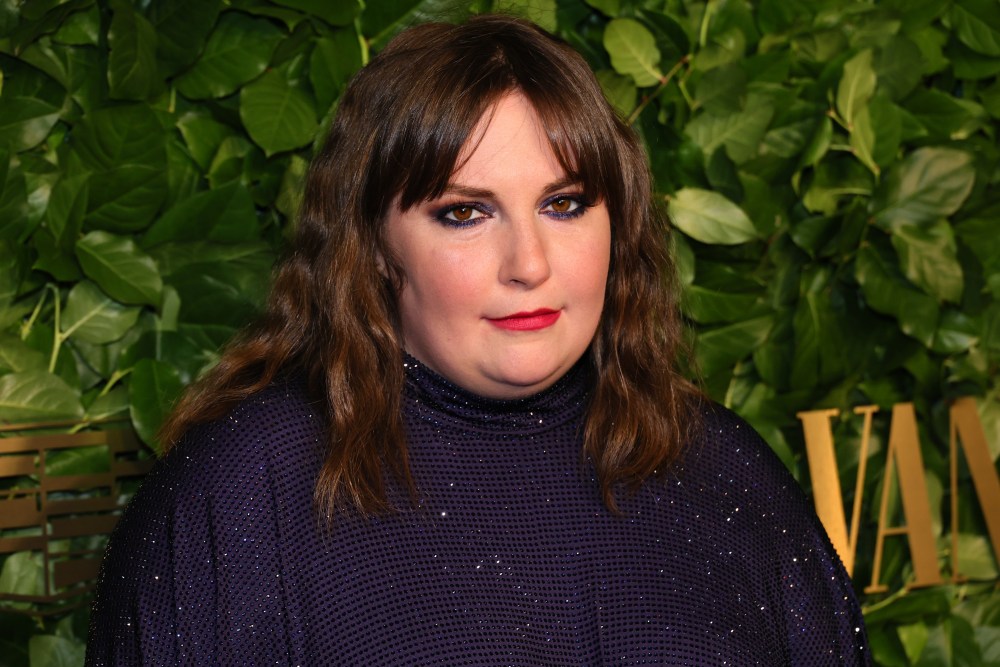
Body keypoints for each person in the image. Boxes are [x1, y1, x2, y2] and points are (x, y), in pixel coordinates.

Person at [86, 14, 870, 666]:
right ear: (373, 246)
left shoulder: (720, 465)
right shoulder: (241, 492)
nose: (529, 264)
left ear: (620, 222)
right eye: (465, 212)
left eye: (564, 204)